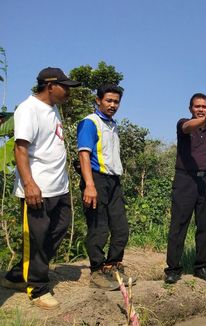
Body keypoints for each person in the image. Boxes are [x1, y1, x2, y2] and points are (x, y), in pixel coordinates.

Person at [0, 67, 80, 309]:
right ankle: (37, 288)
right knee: (37, 238)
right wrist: (29, 184)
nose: (68, 92)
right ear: (50, 85)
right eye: (65, 87)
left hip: (59, 188)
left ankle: (17, 275)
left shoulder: (53, 109)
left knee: (58, 229)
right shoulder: (29, 109)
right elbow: (20, 149)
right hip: (37, 189)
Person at [77, 84, 133, 290]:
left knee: (121, 228)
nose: (113, 105)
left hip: (113, 181)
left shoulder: (112, 124)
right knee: (98, 227)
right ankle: (97, 271)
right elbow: (84, 154)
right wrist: (89, 185)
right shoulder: (90, 122)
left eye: (116, 101)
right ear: (98, 100)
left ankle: (113, 266)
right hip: (96, 179)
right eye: (108, 100)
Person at [164, 93, 206, 284]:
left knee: (205, 226)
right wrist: (202, 119)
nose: (200, 109)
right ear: (190, 109)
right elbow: (188, 127)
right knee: (179, 225)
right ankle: (173, 269)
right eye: (197, 106)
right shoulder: (184, 124)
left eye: (204, 106)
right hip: (185, 180)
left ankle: (201, 267)